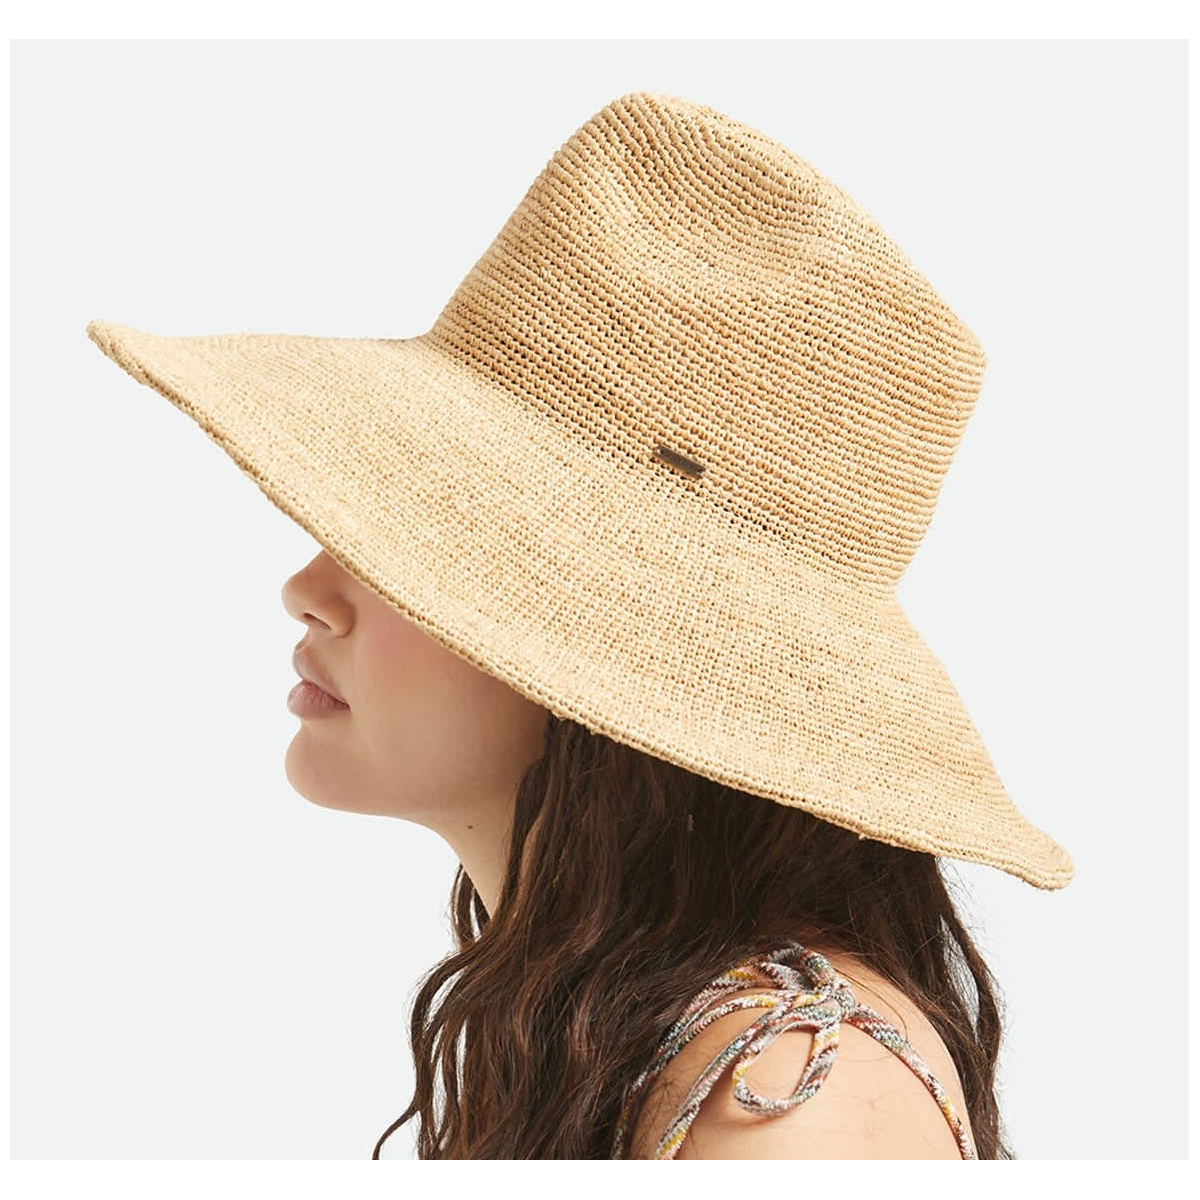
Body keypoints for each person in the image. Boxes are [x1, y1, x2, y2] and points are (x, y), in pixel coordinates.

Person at [86, 89, 1074, 1160]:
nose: (308, 589)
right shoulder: (616, 1031)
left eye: (411, 536)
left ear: (628, 653)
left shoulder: (788, 1100)